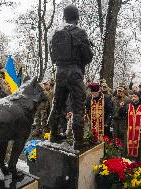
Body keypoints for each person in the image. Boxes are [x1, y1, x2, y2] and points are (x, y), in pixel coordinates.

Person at [47, 4, 93, 149]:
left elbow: (52, 55)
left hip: (59, 71)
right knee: (78, 107)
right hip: (74, 71)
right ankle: (78, 141)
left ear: (64, 16)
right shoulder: (80, 32)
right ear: (77, 17)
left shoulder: (55, 33)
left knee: (57, 105)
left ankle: (53, 134)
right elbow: (88, 57)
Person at [119, 91, 141, 161]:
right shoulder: (128, 106)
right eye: (132, 96)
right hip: (129, 132)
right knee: (127, 149)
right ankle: (127, 163)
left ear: (139, 98)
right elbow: (121, 115)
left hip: (140, 132)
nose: (133, 98)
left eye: (135, 96)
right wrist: (121, 107)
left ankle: (139, 164)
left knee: (140, 149)